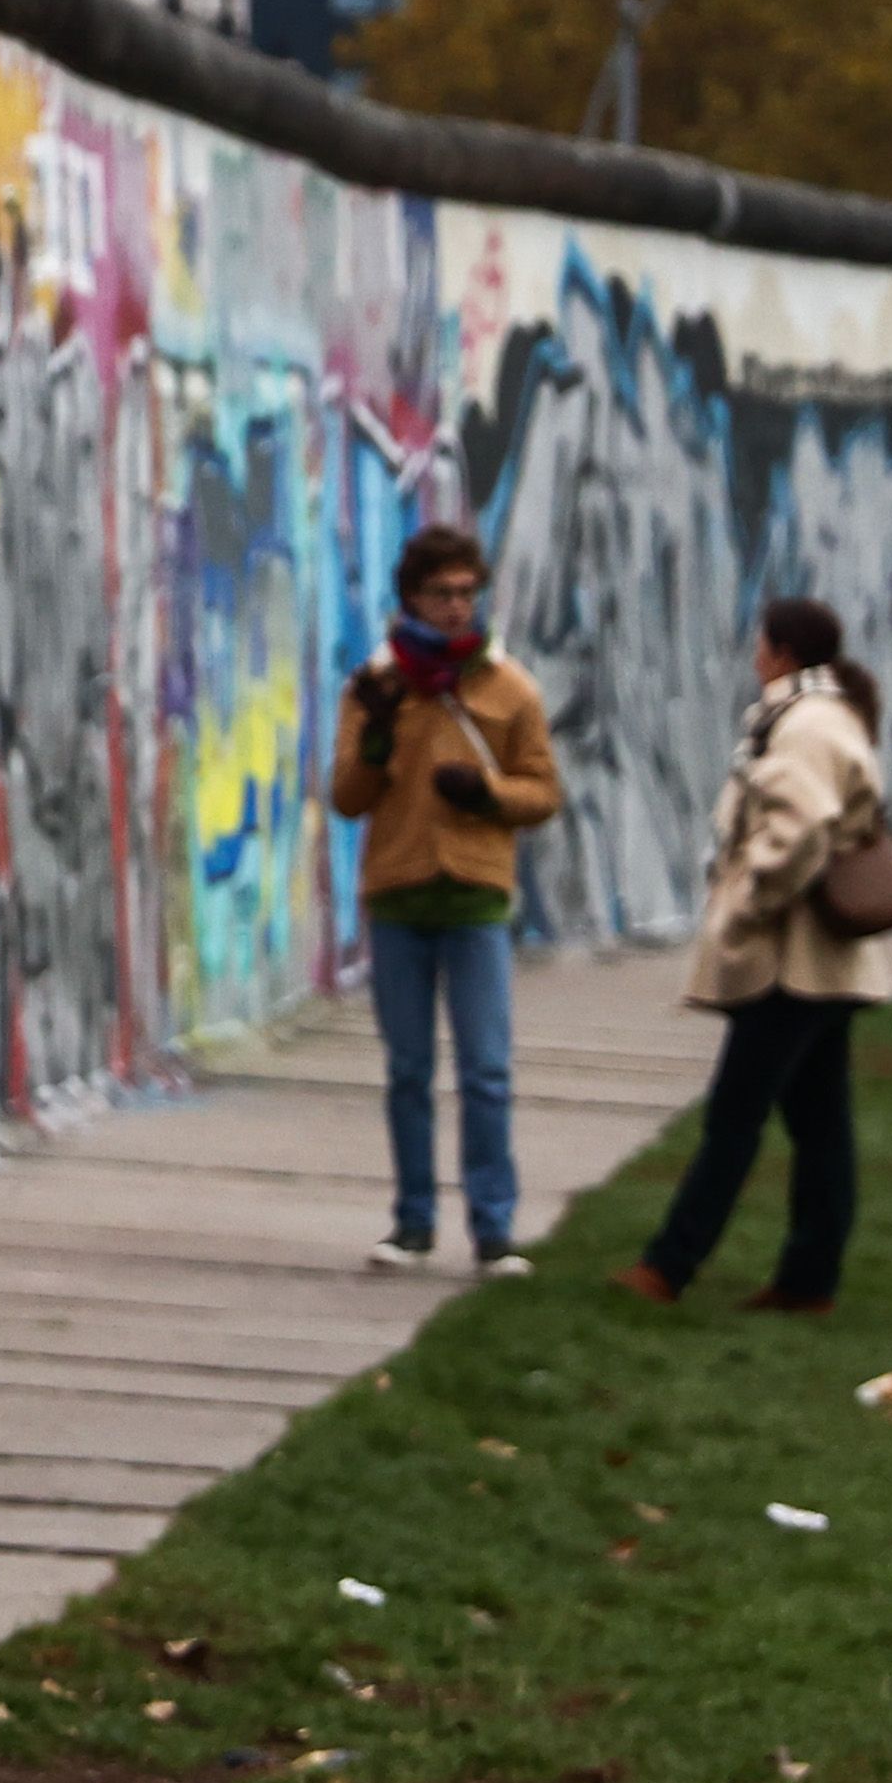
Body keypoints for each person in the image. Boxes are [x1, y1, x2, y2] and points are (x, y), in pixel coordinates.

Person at [616, 596, 892, 1318]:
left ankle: (667, 1265)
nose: (752, 657)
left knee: (734, 1118)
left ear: (777, 652)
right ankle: (807, 1279)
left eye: (759, 645)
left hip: (790, 961)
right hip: (820, 962)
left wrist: (749, 903)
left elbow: (801, 825)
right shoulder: (828, 716)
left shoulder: (800, 724)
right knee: (818, 1123)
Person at [323, 523, 565, 1276]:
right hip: (397, 895)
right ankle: (412, 1222)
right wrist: (375, 740)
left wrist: (487, 794)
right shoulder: (375, 685)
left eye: (468, 591)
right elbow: (346, 798)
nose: (458, 606)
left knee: (486, 1070)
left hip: (474, 900)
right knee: (406, 1070)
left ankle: (493, 1227)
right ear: (411, 597)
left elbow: (542, 793)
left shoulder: (507, 685)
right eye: (442, 593)